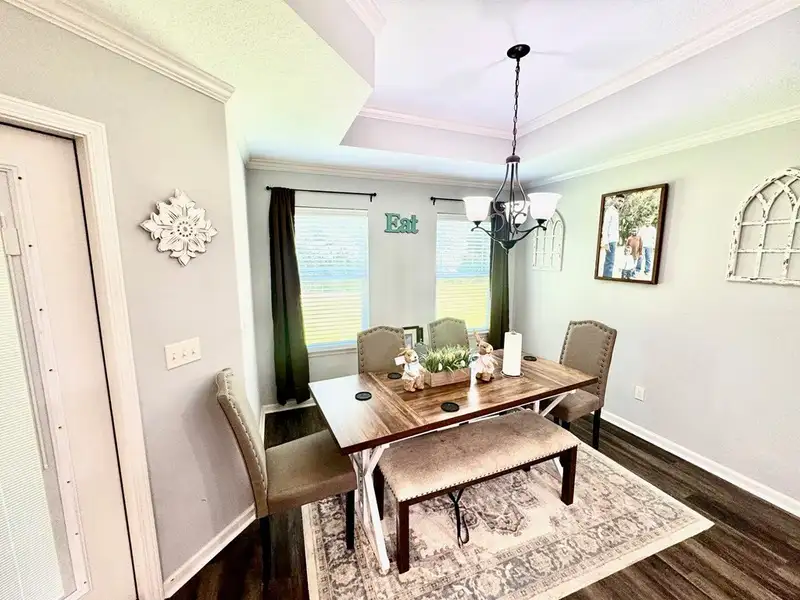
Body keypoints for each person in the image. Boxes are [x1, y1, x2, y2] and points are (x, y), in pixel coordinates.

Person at [601, 195, 622, 278]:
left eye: (622, 202)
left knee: (610, 262)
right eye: (619, 200)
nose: (620, 203)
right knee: (610, 262)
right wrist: (606, 242)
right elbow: (605, 227)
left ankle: (607, 277)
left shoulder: (616, 211)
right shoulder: (610, 211)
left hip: (614, 240)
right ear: (614, 200)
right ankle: (607, 278)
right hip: (610, 240)